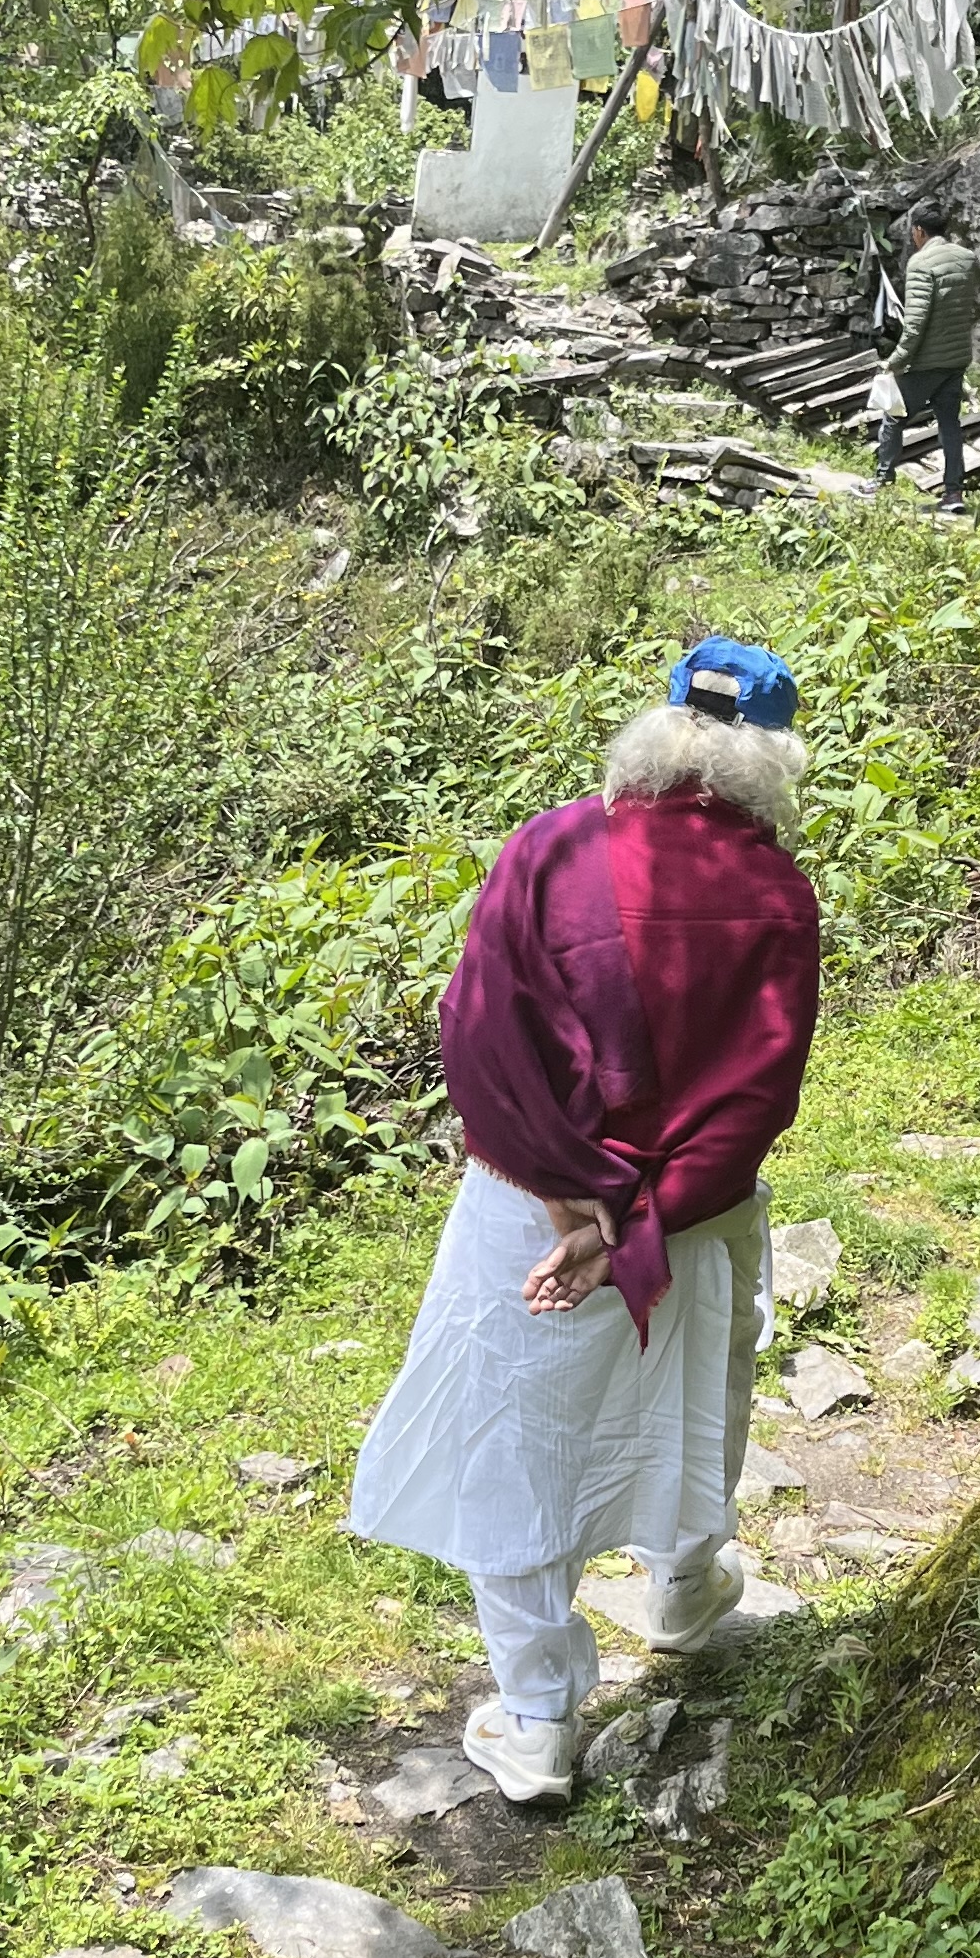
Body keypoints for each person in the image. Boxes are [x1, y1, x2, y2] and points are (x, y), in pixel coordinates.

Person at [348, 639, 823, 1803]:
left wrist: (573, 1202)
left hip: (528, 1208)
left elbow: (478, 1036)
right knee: (693, 1397)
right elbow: (758, 1095)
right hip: (694, 1221)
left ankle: (536, 1721)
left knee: (518, 1444)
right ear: (770, 759)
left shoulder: (553, 845)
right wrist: (638, 1224)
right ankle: (684, 1594)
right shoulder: (777, 894)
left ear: (660, 731)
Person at [875, 197, 980, 508]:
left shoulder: (921, 264)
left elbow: (915, 324)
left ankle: (882, 482)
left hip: (928, 362)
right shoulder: (967, 258)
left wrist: (895, 362)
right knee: (949, 423)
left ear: (919, 231)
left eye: (913, 232)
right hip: (957, 359)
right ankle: (953, 493)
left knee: (893, 416)